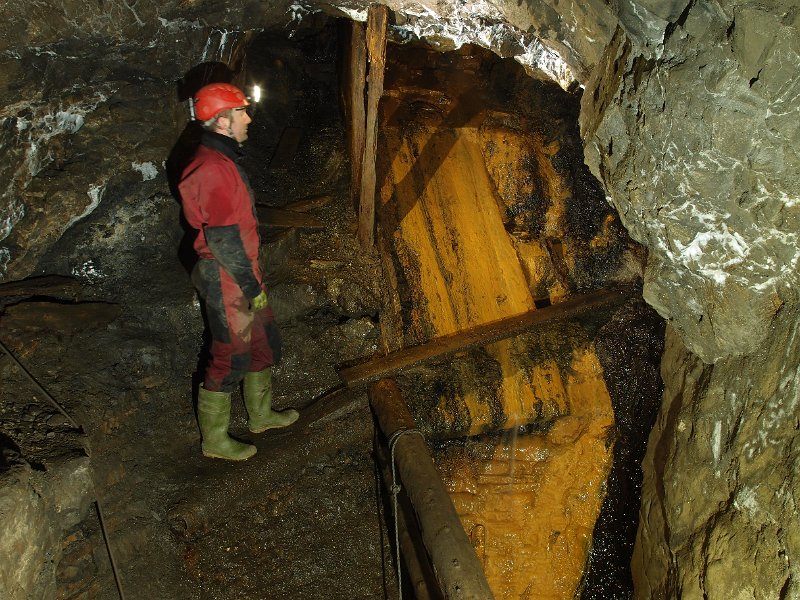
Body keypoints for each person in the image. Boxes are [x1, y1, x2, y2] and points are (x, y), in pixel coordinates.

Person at [178, 82, 298, 461]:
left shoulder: (223, 159)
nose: (248, 118)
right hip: (228, 277)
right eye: (242, 112)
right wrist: (249, 286)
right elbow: (223, 239)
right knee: (231, 355)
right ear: (222, 121)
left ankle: (260, 416)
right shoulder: (211, 168)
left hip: (243, 272)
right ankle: (214, 441)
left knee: (263, 343)